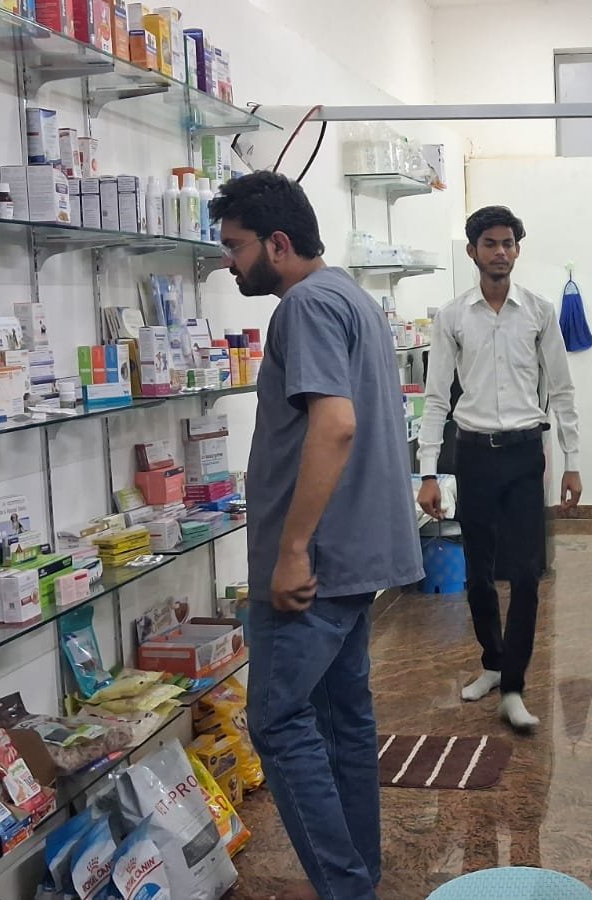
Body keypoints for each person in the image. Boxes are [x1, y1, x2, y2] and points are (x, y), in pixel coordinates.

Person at [212, 172, 422, 900]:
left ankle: (343, 887)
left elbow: (335, 424)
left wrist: (293, 547)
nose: (230, 263)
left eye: (236, 247)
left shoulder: (302, 306)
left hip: (316, 564)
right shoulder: (351, 296)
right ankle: (358, 877)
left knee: (276, 722)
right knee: (342, 721)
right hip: (358, 556)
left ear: (277, 242)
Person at [417, 205, 581, 733]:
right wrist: (426, 472)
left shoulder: (538, 311)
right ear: (473, 251)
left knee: (527, 574)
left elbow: (561, 389)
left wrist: (572, 463)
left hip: (524, 453)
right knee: (479, 574)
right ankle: (493, 662)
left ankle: (514, 686)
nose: (501, 252)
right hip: (473, 455)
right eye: (490, 243)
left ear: (517, 249)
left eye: (509, 243)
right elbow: (436, 396)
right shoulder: (452, 316)